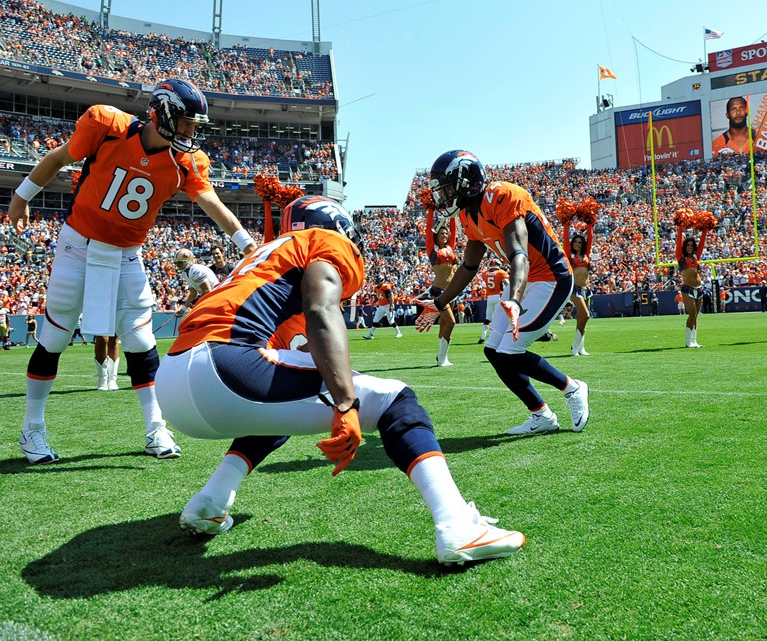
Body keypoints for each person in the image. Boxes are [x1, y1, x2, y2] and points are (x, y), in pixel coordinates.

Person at [158, 195, 525, 565]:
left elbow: (298, 348)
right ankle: (457, 523)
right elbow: (321, 310)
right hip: (226, 367)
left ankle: (210, 501)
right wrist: (347, 402)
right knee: (395, 399)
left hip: (174, 381)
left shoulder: (265, 259)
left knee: (277, 412)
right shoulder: (323, 243)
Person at [8, 78, 258, 464]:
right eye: (187, 122)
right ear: (163, 114)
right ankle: (32, 429)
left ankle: (156, 426)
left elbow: (210, 202)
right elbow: (60, 157)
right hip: (78, 245)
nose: (192, 132)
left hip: (127, 254)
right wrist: (21, 196)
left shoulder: (187, 161)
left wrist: (246, 245)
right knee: (55, 337)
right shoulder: (107, 126)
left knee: (141, 341)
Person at [416, 150, 589, 435]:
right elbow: (469, 266)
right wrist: (439, 302)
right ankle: (541, 415)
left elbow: (519, 254)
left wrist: (514, 300)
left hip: (550, 278)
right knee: (493, 351)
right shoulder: (467, 215)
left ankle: (572, 388)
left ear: (466, 181)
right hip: (523, 281)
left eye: (447, 187)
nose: (442, 195)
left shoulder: (501, 196)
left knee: (510, 351)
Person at [417, 196, 459, 365]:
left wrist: (454, 211)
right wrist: (431, 210)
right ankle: (442, 358)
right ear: (436, 236)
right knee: (451, 322)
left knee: (444, 324)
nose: (444, 234)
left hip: (453, 292)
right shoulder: (432, 249)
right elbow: (429, 229)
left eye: (445, 233)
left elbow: (454, 228)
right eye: (441, 233)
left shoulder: (451, 247)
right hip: (438, 292)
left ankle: (441, 355)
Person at [558, 198, 599, 357]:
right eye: (574, 242)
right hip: (574, 288)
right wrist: (567, 223)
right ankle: (575, 346)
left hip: (586, 288)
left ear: (582, 244)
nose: (576, 244)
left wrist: (589, 222)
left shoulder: (586, 254)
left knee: (582, 319)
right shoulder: (569, 254)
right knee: (586, 315)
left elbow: (590, 236)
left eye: (579, 242)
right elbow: (565, 239)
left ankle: (581, 347)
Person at [676, 209, 714, 348]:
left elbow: (702, 242)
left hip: (699, 288)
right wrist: (680, 228)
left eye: (692, 245)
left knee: (696, 315)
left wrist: (705, 229)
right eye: (688, 245)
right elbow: (679, 241)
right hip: (688, 288)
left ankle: (694, 340)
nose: (690, 247)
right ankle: (688, 341)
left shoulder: (696, 256)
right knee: (691, 313)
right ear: (685, 247)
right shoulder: (681, 257)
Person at [173, 248, 220, 318]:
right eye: (177, 264)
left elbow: (208, 291)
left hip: (216, 297)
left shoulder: (195, 271)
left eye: (180, 263)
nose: (179, 266)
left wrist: (196, 303)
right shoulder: (185, 273)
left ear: (188, 261)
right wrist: (183, 310)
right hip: (210, 298)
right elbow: (193, 293)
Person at [478, 258, 509, 345]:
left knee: (488, 318)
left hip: (489, 297)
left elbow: (483, 274)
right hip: (498, 296)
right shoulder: (501, 273)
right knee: (498, 318)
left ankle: (483, 336)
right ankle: (496, 336)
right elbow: (507, 284)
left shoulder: (485, 274)